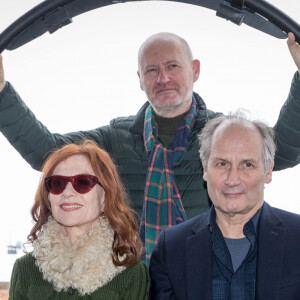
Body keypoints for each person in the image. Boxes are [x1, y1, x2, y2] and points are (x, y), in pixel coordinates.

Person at [0, 32, 300, 264]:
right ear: (140, 80)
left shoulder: (224, 135)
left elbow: (281, 151)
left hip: (207, 278)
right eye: (152, 70)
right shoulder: (114, 139)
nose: (163, 78)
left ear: (194, 70)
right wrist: (1, 93)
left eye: (172, 66)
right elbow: (48, 153)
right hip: (133, 281)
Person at [149, 112, 300, 299]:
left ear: (268, 171)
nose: (232, 179)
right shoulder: (171, 249)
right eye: (222, 164)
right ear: (205, 168)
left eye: (247, 165)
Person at [9, 140, 150, 299]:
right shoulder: (25, 269)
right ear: (49, 198)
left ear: (105, 198)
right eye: (57, 183)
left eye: (83, 182)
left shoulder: (132, 273)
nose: (67, 192)